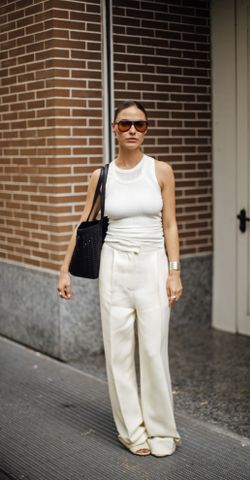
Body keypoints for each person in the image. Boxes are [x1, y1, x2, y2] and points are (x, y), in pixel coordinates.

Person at [57, 100, 182, 457]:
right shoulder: (102, 176)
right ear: (114, 128)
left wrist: (175, 271)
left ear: (146, 130)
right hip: (114, 265)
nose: (132, 130)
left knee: (154, 350)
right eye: (125, 123)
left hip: (153, 265)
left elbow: (170, 224)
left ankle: (160, 429)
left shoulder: (160, 171)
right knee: (119, 353)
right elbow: (83, 225)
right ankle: (131, 430)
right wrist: (64, 269)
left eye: (139, 125)